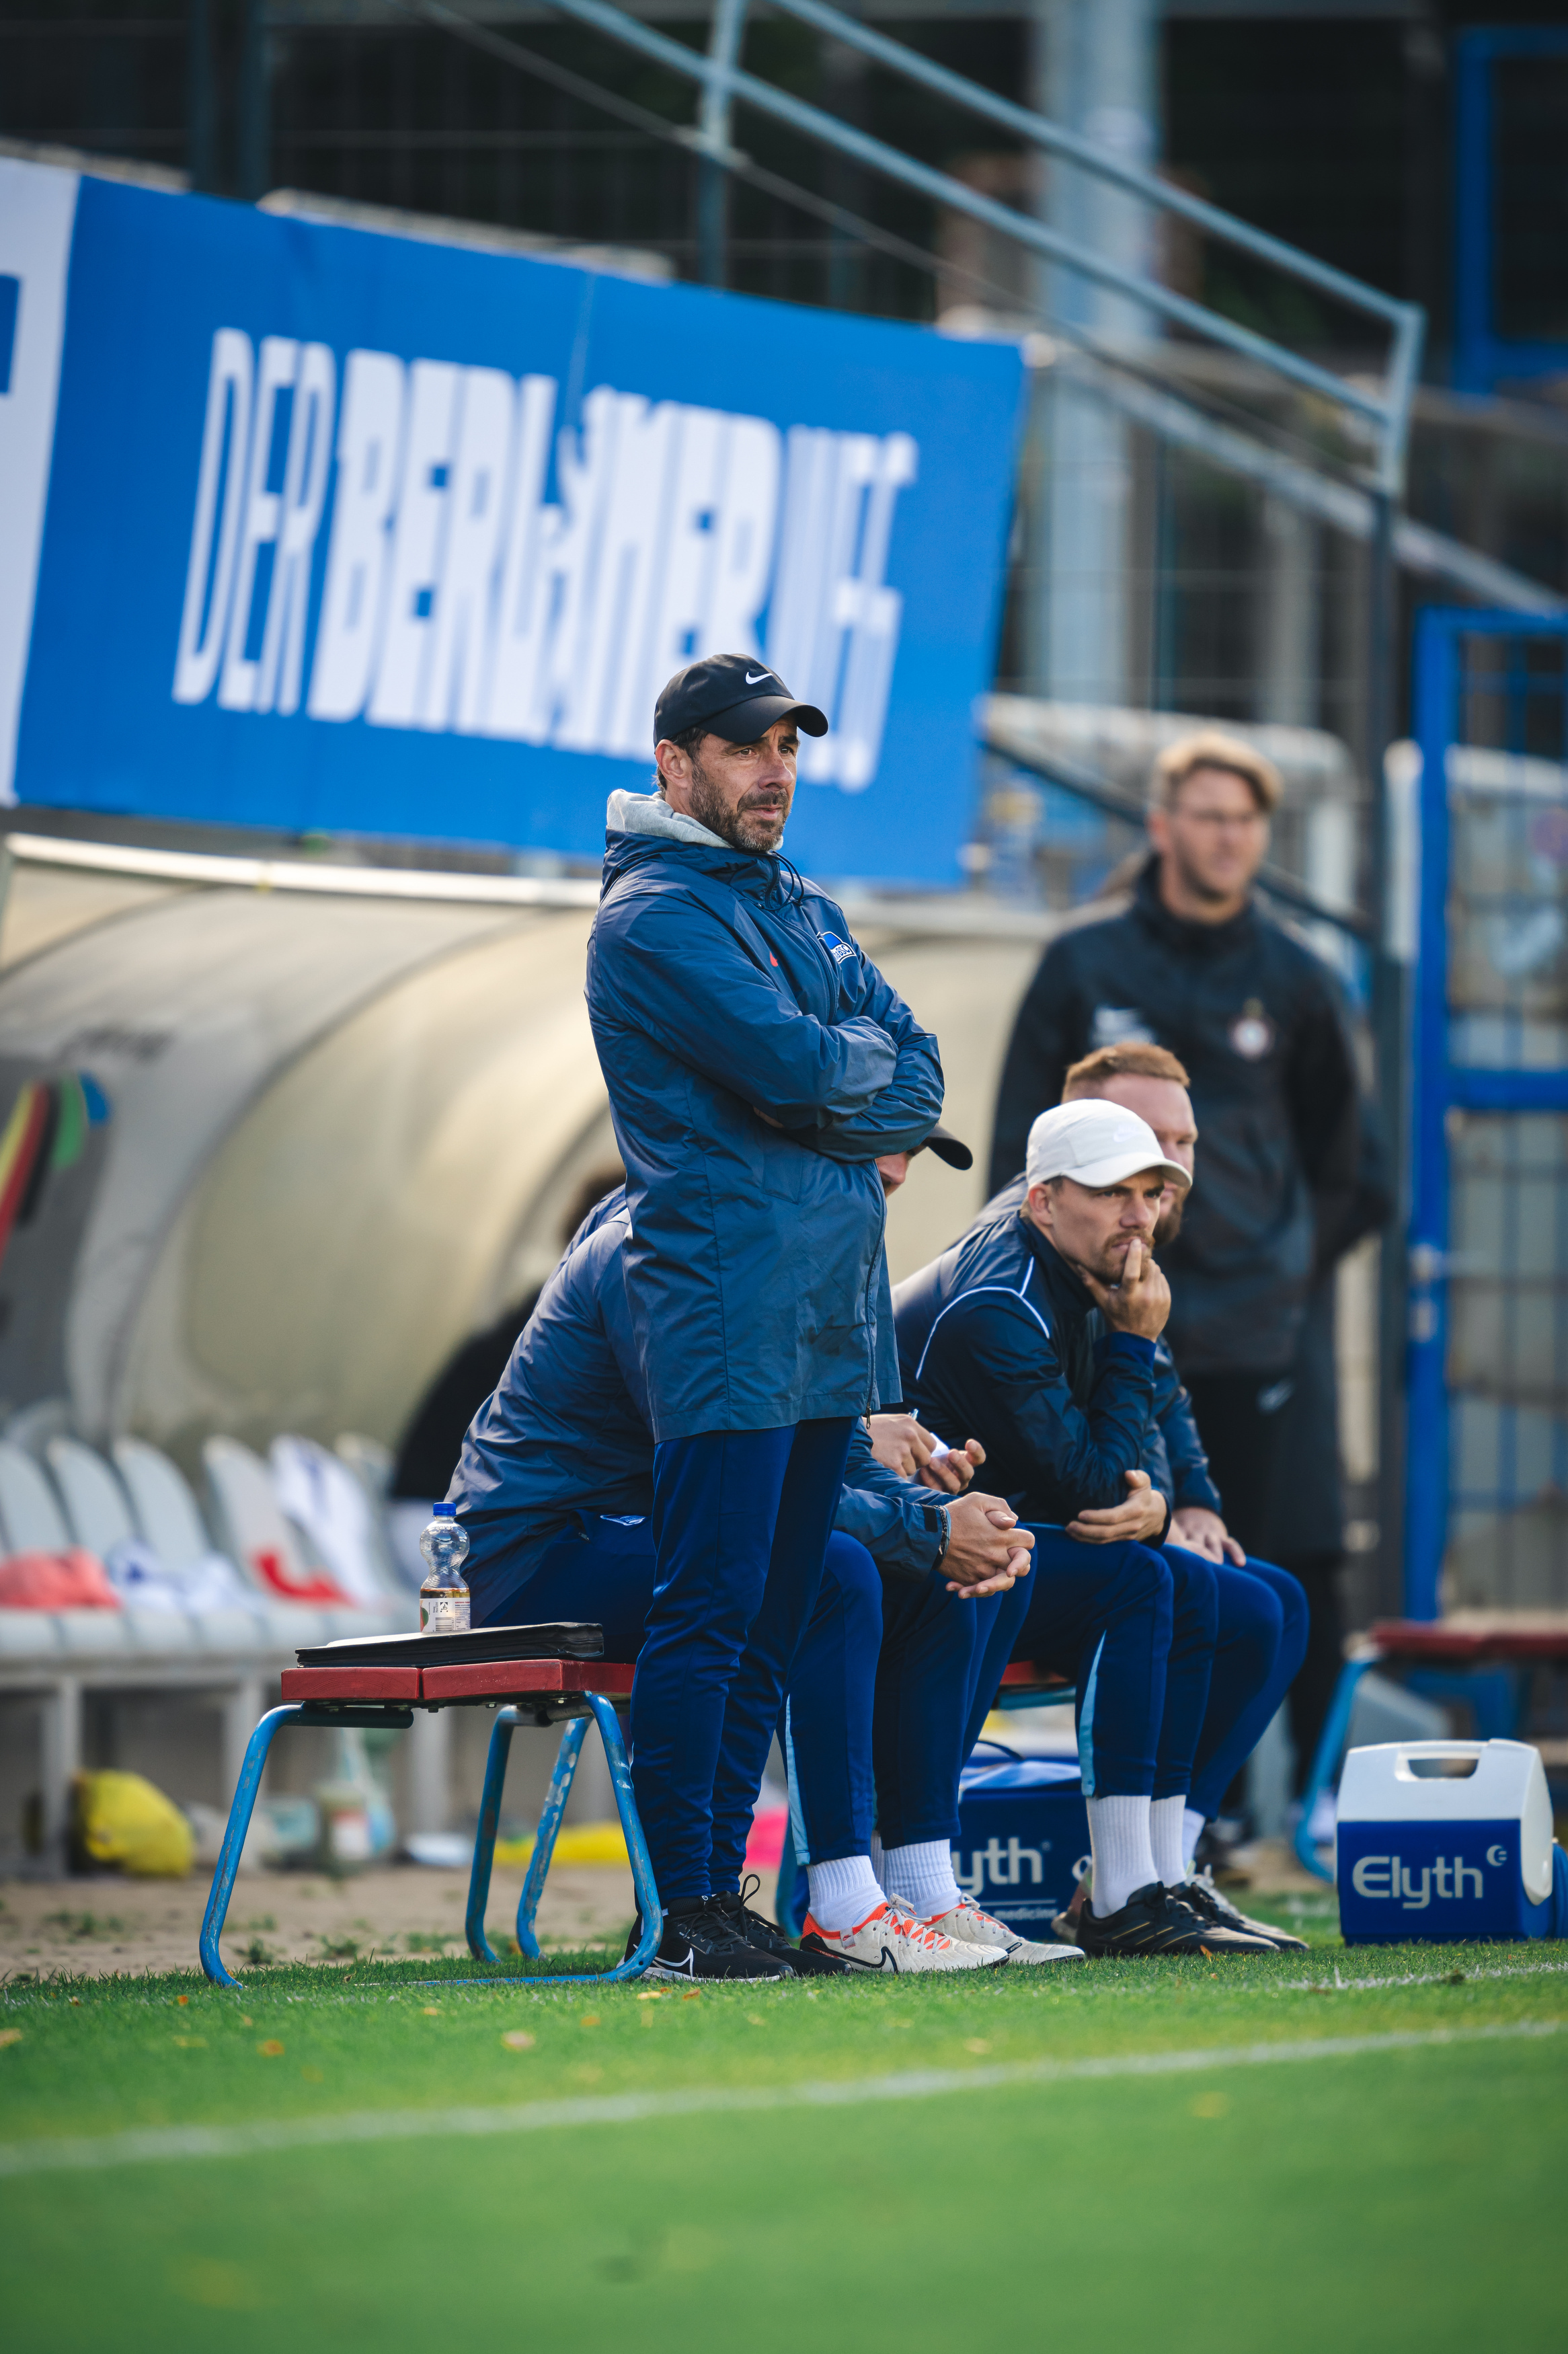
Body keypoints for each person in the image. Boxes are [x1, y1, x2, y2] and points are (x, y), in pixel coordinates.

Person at [446, 1179, 1064, 1975]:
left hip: (646, 1528)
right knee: (828, 1569)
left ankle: (919, 1886)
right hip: (537, 1551)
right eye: (863, 1154)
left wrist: (944, 1519)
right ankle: (806, 1903)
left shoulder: (798, 1249)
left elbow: (823, 1461)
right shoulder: (661, 1250)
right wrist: (926, 1529)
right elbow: (732, 1477)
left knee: (924, 1575)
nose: (893, 1175)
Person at [582, 653, 944, 1979]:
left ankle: (724, 1896)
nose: (774, 769)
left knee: (774, 1616)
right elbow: (805, 1062)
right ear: (674, 762)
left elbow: (919, 1066)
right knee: (712, 1608)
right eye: (745, 747)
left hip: (828, 1317)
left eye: (788, 744)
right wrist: (847, 1072)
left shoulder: (793, 898)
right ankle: (682, 1909)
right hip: (728, 1307)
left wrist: (844, 1079)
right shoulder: (655, 917)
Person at [896, 1100, 1283, 1957]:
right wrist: (1134, 1345)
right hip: (918, 1552)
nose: (1139, 1215)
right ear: (1042, 1200)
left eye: (1150, 1192)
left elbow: (1134, 1454)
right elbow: (1091, 1487)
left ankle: (1159, 1870)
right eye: (1113, 1193)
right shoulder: (1004, 1298)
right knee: (1148, 1582)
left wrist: (1159, 1503)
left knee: (1261, 1599)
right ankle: (1120, 1891)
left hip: (1001, 1540)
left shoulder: (1095, 1272)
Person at [987, 728, 1367, 1565]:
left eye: (1245, 819)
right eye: (1208, 816)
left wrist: (1283, 1265)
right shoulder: (1083, 961)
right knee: (1106, 1539)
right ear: (1161, 825)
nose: (1229, 837)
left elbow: (1351, 1165)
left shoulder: (1299, 977)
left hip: (1248, 1329)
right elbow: (1024, 1141)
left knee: (1262, 1562)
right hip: (1097, 1313)